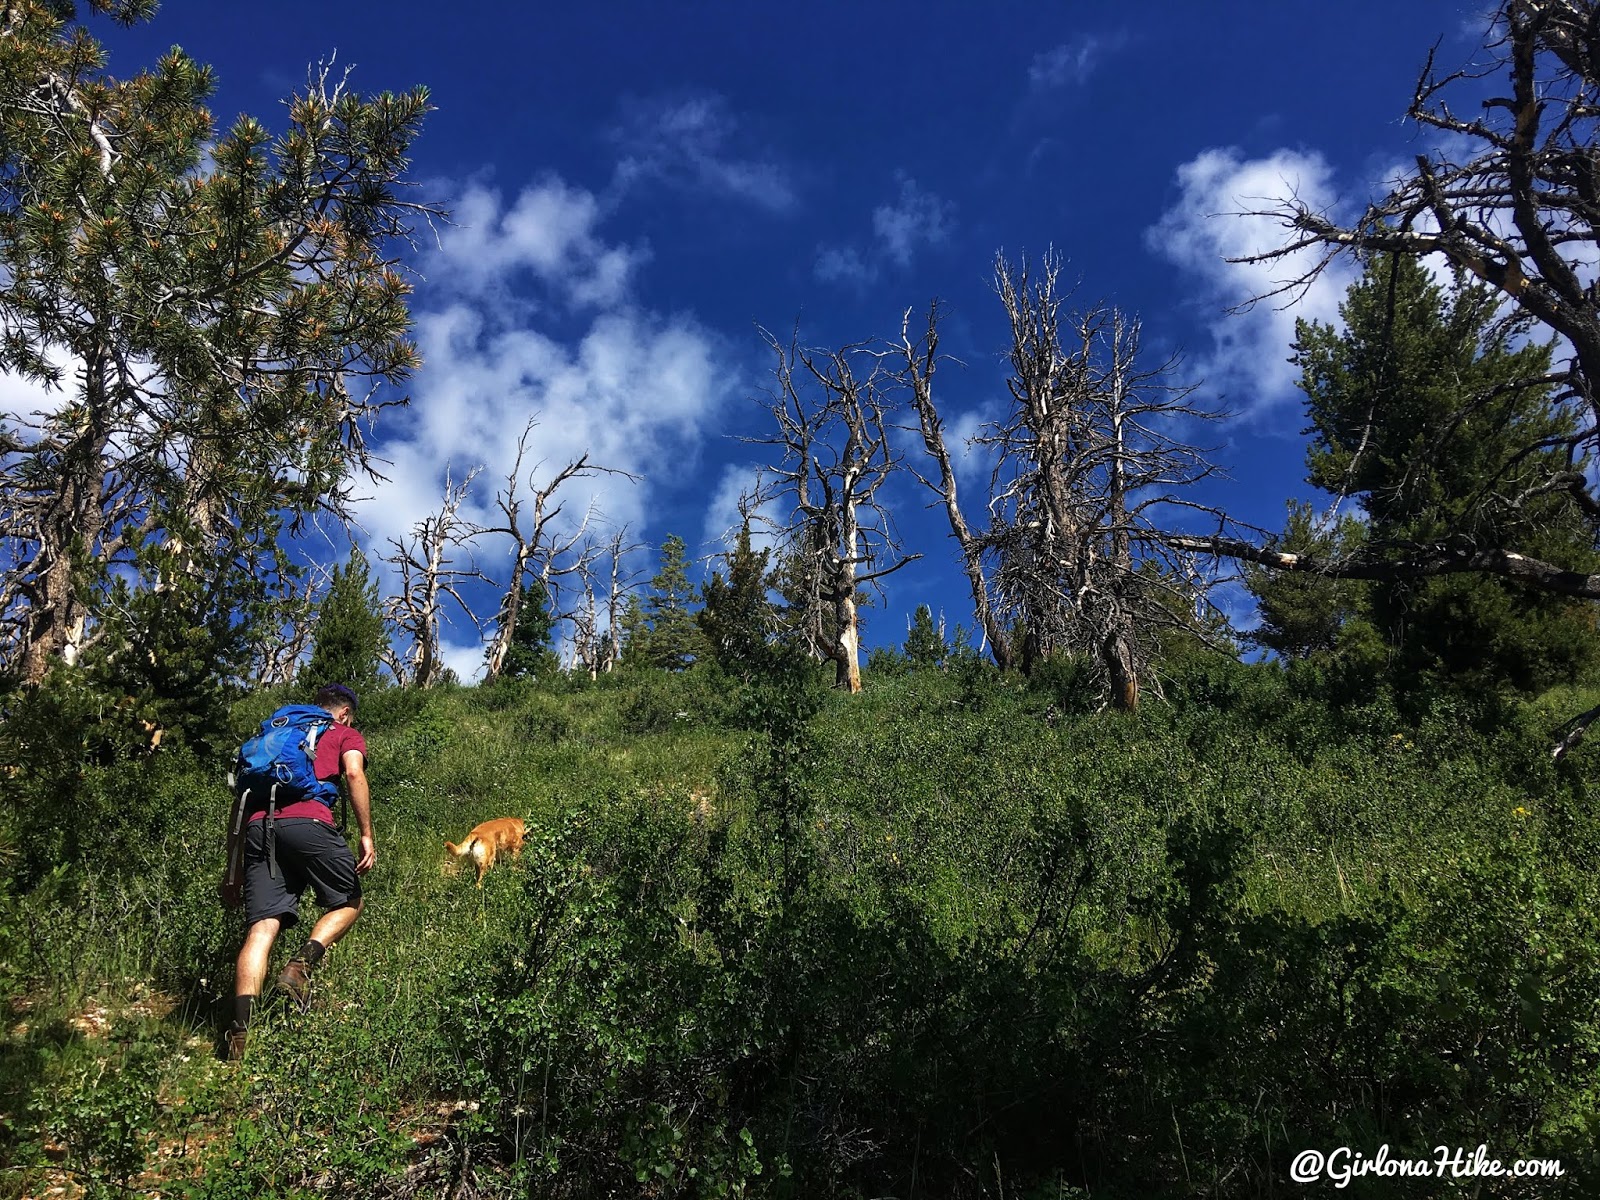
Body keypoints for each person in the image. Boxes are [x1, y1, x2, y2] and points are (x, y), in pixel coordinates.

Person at [221, 683, 376, 1060]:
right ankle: (299, 965)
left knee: (261, 928)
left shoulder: (276, 734)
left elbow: (240, 804)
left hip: (258, 827)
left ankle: (239, 1037)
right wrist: (367, 834)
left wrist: (233, 869)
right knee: (349, 900)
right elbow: (354, 775)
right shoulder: (342, 732)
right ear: (344, 713)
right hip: (310, 821)